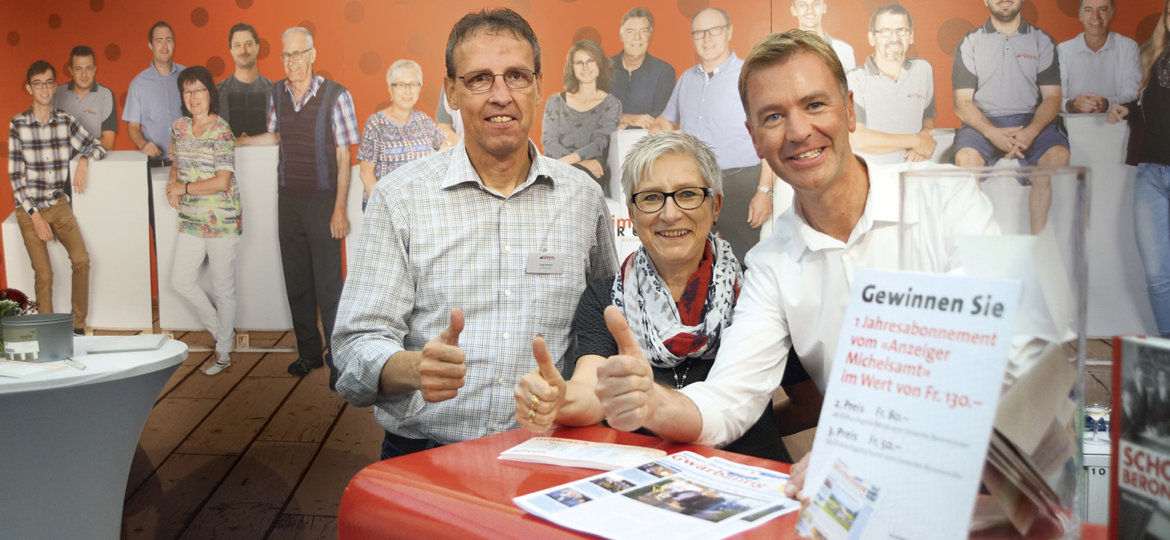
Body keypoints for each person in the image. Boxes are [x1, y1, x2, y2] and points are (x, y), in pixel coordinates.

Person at [591, 30, 996, 498]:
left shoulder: (946, 197)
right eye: (774, 116)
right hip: (865, 501)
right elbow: (731, 399)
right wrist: (653, 401)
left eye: (815, 105)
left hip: (998, 486)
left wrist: (866, 444)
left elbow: (1008, 351)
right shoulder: (769, 264)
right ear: (754, 137)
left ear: (848, 108)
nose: (799, 130)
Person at [332, 8, 619, 458]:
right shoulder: (399, 198)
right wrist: (411, 367)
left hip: (551, 453)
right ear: (450, 91)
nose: (501, 95)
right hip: (424, 457)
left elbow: (603, 317)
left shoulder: (582, 198)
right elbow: (352, 350)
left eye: (517, 76)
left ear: (540, 87)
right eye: (480, 78)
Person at [514, 131, 804, 461]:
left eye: (687, 194)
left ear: (715, 206)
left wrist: (752, 430)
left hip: (746, 482)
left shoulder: (757, 291)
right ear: (633, 216)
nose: (669, 214)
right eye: (651, 198)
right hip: (642, 483)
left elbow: (809, 403)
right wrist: (558, 398)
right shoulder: (605, 297)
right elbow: (590, 392)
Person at [241, 27, 358, 385]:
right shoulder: (277, 92)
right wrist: (243, 143)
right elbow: (277, 135)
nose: (290, 62)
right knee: (297, 283)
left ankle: (339, 360)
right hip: (288, 199)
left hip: (323, 201)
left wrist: (339, 209)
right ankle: (309, 353)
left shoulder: (337, 96)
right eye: (285, 55)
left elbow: (343, 155)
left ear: (312, 54)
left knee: (328, 286)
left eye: (297, 54)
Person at [650, 7, 774, 263]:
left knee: (741, 263)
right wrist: (656, 127)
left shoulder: (749, 76)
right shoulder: (686, 79)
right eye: (699, 33)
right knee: (695, 261)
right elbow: (666, 119)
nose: (706, 38)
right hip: (696, 184)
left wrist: (764, 192)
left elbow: (769, 134)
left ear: (729, 32)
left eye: (713, 30)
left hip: (740, 185)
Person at [953, 0, 1069, 234]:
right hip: (983, 123)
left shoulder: (1041, 40)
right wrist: (993, 134)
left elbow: (1052, 99)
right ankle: (982, 245)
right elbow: (962, 103)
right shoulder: (970, 42)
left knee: (1058, 155)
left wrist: (1030, 131)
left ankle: (1037, 249)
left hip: (1032, 121)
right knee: (965, 159)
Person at [9, 60, 107, 335]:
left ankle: (77, 325)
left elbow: (96, 146)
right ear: (29, 87)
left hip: (59, 204)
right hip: (29, 210)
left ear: (55, 86)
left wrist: (85, 159)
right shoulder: (18, 125)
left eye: (49, 82)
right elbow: (16, 177)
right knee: (45, 275)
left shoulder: (65, 122)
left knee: (82, 260)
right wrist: (35, 216)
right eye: (38, 83)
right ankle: (48, 332)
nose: (44, 88)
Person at [163, 66, 241, 376]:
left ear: (210, 93)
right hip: (191, 219)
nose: (194, 97)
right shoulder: (179, 127)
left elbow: (223, 181)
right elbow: (176, 164)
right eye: (188, 91)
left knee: (223, 287)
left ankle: (223, 352)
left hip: (221, 220)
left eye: (199, 90)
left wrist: (184, 188)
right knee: (181, 280)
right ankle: (223, 333)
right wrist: (173, 187)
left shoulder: (221, 130)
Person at [1107, 0, 1170, 336]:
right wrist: (1126, 110)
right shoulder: (1152, 54)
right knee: (1158, 275)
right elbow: (1151, 107)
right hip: (1151, 174)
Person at [846, 4, 937, 164]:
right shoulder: (855, 79)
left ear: (911, 36)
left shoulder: (923, 70)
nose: (894, 38)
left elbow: (927, 125)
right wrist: (915, 141)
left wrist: (922, 147)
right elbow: (856, 138)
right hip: (873, 175)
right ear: (872, 38)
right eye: (886, 31)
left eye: (902, 30)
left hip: (914, 171)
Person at [357, 60, 446, 210]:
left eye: (413, 84)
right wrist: (388, 209)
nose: (408, 91)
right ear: (390, 89)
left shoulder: (424, 121)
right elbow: (365, 174)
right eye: (401, 85)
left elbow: (445, 147)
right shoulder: (376, 123)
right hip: (384, 209)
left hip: (418, 208)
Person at [541, 39, 622, 188]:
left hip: (592, 170)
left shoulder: (611, 104)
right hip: (558, 166)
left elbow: (599, 143)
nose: (585, 67)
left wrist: (569, 162)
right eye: (579, 63)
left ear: (600, 64)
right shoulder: (555, 101)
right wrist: (578, 162)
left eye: (590, 61)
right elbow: (549, 142)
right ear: (572, 68)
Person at [1058, 0, 1139, 114]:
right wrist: (1071, 105)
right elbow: (1053, 97)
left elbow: (1131, 94)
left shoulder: (1129, 48)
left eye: (1102, 9)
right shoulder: (1063, 50)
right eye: (1088, 10)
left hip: (1116, 123)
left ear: (1112, 13)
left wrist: (1107, 103)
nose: (1095, 16)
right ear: (1080, 15)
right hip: (1071, 126)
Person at [124, 21, 184, 165]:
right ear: (151, 46)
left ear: (174, 43)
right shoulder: (138, 84)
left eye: (168, 40)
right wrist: (143, 145)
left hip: (187, 163)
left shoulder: (187, 77)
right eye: (159, 41)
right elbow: (132, 127)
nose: (164, 46)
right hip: (154, 163)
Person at [609, 7, 676, 130]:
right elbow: (589, 111)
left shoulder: (664, 72)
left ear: (650, 35)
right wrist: (627, 118)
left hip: (647, 144)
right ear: (621, 35)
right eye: (630, 31)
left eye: (643, 31)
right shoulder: (602, 68)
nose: (637, 37)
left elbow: (665, 118)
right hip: (604, 145)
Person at [52, 45, 117, 150]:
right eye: (78, 69)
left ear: (95, 69)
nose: (84, 74)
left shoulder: (106, 95)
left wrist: (74, 150)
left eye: (88, 68)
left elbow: (108, 143)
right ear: (70, 70)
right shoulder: (56, 93)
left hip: (95, 161)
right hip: (61, 162)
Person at [217, 23, 274, 137]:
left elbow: (279, 136)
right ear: (231, 50)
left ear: (257, 47)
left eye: (248, 44)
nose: (243, 50)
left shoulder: (275, 91)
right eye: (237, 45)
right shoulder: (217, 92)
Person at [791, 0, 856, 68]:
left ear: (824, 8)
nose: (810, 10)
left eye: (816, 4)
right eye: (802, 5)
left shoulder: (845, 51)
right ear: (794, 10)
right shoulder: (785, 52)